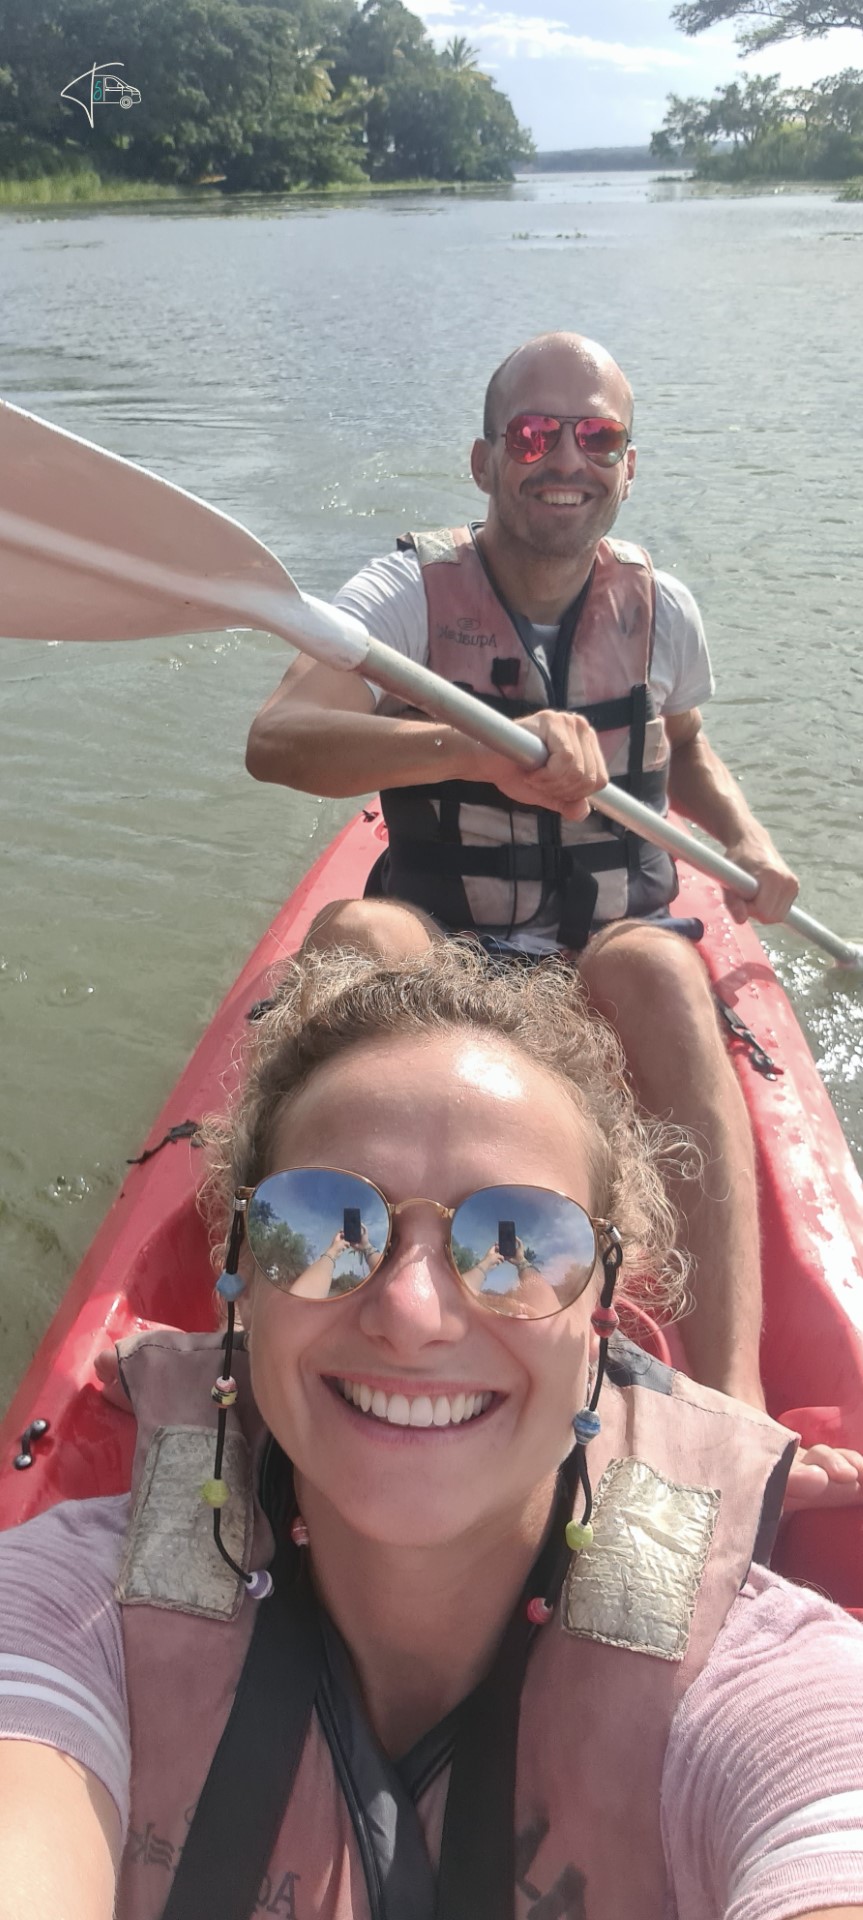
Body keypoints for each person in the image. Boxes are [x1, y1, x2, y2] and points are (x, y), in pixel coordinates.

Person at [0, 944, 862, 1920]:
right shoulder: (63, 1614)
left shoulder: (775, 1698)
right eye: (320, 1222)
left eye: (519, 1244)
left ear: (602, 1312)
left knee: (652, 961)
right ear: (241, 1276)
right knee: (363, 926)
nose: (410, 1314)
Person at [245, 329, 861, 1510]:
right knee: (357, 943)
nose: (564, 457)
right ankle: (273, 1336)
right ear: (485, 460)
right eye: (533, 434)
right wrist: (467, 744)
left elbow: (681, 750)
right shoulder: (403, 596)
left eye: (595, 436)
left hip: (605, 935)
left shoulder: (659, 609)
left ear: (627, 465)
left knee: (662, 975)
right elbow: (278, 742)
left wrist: (748, 842)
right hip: (445, 931)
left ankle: (726, 1405)